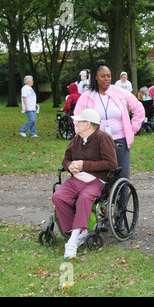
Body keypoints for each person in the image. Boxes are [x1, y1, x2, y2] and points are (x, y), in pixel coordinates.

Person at [52, 109, 118, 258]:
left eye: (79, 121)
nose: (75, 123)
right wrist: (69, 166)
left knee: (84, 198)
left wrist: (84, 165)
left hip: (96, 180)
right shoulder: (77, 139)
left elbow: (111, 163)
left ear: (87, 124)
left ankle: (73, 240)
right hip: (77, 178)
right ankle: (75, 231)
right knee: (58, 196)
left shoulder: (103, 138)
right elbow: (66, 158)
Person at [74, 60, 145, 182]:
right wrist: (84, 137)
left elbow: (139, 109)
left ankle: (123, 201)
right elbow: (78, 120)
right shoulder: (86, 97)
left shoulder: (121, 93)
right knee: (100, 177)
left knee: (122, 177)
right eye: (103, 76)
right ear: (95, 77)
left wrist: (132, 129)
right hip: (97, 143)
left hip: (120, 141)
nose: (106, 79)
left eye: (109, 76)